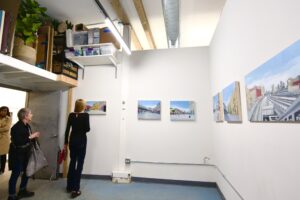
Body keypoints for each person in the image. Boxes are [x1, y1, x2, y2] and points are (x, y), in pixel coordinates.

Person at [8, 108, 40, 200]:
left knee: (26, 172)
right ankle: (11, 195)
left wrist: (33, 137)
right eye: (30, 113)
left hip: (26, 153)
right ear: (25, 116)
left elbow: (27, 138)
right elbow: (18, 142)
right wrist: (31, 136)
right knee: (16, 174)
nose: (32, 115)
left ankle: (22, 190)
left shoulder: (27, 126)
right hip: (17, 154)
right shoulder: (16, 127)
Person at [64, 99, 90, 198]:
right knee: (79, 164)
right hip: (81, 142)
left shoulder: (71, 115)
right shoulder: (86, 115)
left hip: (72, 142)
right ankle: (76, 189)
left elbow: (67, 130)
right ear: (82, 106)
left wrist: (65, 143)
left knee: (72, 162)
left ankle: (69, 186)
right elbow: (87, 129)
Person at [0, 106, 12, 174]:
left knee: (3, 155)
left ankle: (2, 169)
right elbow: (3, 128)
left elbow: (7, 128)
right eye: (2, 110)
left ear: (7, 112)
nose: (3, 112)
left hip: (4, 139)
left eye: (5, 111)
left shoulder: (9, 119)